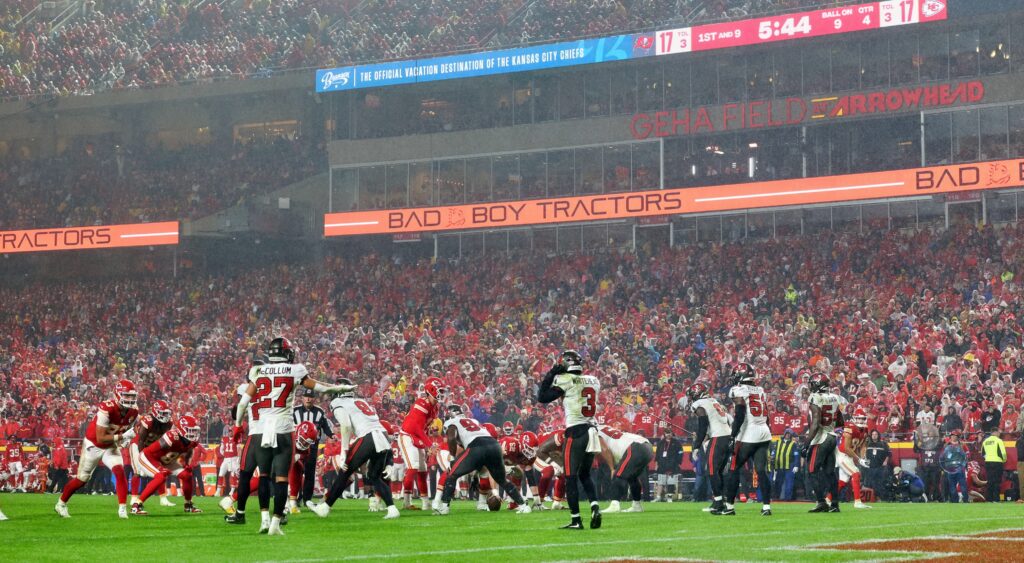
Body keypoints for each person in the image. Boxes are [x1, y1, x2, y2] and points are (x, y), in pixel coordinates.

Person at [225, 337, 355, 535]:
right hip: (283, 429)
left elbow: (243, 404)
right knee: (281, 478)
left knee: (263, 477)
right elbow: (317, 386)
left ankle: (264, 520)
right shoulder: (295, 370)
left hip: (260, 431)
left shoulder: (258, 371)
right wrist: (339, 388)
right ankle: (276, 524)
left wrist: (236, 427)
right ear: (287, 353)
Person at [308, 379, 399, 520]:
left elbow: (346, 425)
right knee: (374, 476)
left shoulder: (338, 403)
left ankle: (325, 507)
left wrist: (344, 450)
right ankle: (392, 509)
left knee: (345, 471)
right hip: (382, 436)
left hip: (368, 436)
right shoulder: (361, 401)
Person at [55, 379, 140, 519]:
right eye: (126, 395)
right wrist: (122, 437)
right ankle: (61, 503)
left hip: (110, 446)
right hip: (94, 444)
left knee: (119, 471)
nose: (130, 399)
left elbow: (126, 429)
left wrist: (126, 439)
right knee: (82, 479)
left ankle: (122, 509)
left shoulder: (134, 411)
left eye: (132, 396)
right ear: (118, 394)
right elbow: (101, 438)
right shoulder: (107, 408)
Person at [537, 350, 602, 530]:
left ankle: (576, 520)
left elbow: (542, 397)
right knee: (585, 474)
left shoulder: (565, 379)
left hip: (576, 430)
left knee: (570, 476)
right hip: (592, 430)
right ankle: (595, 506)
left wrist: (551, 374)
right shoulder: (594, 380)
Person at [433, 405, 530, 515]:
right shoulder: (473, 420)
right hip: (494, 445)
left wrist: (453, 457)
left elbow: (451, 438)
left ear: (450, 415)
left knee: (452, 474)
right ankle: (523, 506)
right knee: (502, 480)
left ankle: (444, 507)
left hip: (477, 447)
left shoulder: (451, 422)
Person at [721, 363, 773, 516]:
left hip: (749, 434)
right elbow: (766, 414)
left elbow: (740, 414)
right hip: (764, 432)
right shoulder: (760, 390)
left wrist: (732, 435)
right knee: (762, 471)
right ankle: (766, 507)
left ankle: (729, 506)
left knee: (733, 469)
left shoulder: (738, 389)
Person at [130, 415, 204, 514]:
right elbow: (152, 452)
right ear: (182, 429)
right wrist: (160, 467)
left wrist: (186, 464)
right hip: (148, 457)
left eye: (195, 430)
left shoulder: (191, 441)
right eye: (190, 430)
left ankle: (188, 505)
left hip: (166, 460)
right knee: (160, 477)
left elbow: (189, 451)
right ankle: (136, 505)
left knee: (187, 475)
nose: (194, 433)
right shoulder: (172, 436)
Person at [398, 376, 446, 511]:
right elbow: (416, 428)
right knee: (413, 467)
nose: (441, 394)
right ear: (431, 390)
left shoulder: (435, 407)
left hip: (418, 437)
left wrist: (427, 444)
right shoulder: (422, 404)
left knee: (423, 471)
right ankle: (406, 502)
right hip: (407, 435)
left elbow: (423, 428)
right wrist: (429, 444)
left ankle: (425, 503)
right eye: (439, 391)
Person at [686, 382, 732, 512]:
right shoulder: (713, 400)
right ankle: (721, 500)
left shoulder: (699, 404)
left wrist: (696, 445)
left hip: (718, 437)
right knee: (719, 472)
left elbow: (703, 424)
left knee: (711, 471)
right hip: (728, 436)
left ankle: (718, 502)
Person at [803, 372, 844, 513]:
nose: (811, 386)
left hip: (821, 438)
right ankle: (835, 503)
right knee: (829, 473)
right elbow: (840, 421)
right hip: (832, 436)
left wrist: (806, 443)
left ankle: (821, 502)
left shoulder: (815, 397)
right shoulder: (834, 397)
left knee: (812, 471)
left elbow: (815, 423)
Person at [291, 387, 334, 509]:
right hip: (298, 447)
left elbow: (325, 426)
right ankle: (296, 498)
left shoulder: (319, 412)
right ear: (302, 398)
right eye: (306, 396)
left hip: (313, 447)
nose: (308, 399)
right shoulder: (294, 411)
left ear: (314, 399)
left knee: (309, 474)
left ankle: (307, 500)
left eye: (310, 397)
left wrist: (332, 435)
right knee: (297, 472)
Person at [129, 399, 175, 508]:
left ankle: (163, 499)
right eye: (163, 413)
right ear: (155, 412)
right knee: (137, 472)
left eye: (166, 413)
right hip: (137, 446)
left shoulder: (168, 423)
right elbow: (141, 440)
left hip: (151, 447)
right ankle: (134, 498)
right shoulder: (148, 420)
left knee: (160, 472)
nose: (165, 416)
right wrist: (142, 456)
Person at [598, 426, 654, 513]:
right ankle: (637, 505)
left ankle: (614, 505)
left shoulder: (593, 431)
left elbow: (604, 449)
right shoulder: (603, 427)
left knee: (618, 475)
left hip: (635, 446)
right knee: (632, 478)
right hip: (648, 446)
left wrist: (612, 468)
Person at [836, 406, 871, 508]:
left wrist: (863, 457)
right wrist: (859, 460)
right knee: (856, 473)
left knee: (842, 481)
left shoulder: (865, 429)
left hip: (849, 456)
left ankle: (827, 500)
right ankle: (857, 502)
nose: (861, 420)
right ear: (855, 418)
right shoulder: (849, 427)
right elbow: (847, 448)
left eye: (863, 418)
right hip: (842, 455)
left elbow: (864, 445)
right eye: (859, 418)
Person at [654, 427, 683, 502]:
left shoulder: (677, 443)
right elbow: (657, 455)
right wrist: (656, 465)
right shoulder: (660, 443)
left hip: (673, 466)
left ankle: (669, 498)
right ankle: (658, 497)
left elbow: (680, 453)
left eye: (669, 433)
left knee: (671, 482)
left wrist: (678, 463)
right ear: (664, 433)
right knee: (660, 482)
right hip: (662, 465)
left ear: (671, 433)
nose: (668, 434)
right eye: (667, 433)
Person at [770, 429, 799, 501]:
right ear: (784, 434)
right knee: (777, 482)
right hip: (779, 466)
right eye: (787, 433)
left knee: (789, 483)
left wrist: (796, 465)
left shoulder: (793, 444)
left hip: (789, 466)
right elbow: (773, 452)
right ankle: (776, 497)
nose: (788, 435)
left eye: (789, 434)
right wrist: (772, 459)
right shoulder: (777, 442)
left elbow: (796, 455)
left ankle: (787, 498)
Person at [940, 431, 968, 502]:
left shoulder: (962, 445)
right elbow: (943, 456)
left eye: (955, 435)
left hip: (958, 468)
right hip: (950, 468)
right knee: (952, 485)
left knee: (962, 485)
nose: (953, 437)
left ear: (958, 437)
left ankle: (965, 499)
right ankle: (954, 500)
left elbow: (967, 455)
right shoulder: (946, 445)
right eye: (952, 435)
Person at [863, 430, 891, 499]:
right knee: (870, 482)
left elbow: (889, 454)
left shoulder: (883, 444)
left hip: (880, 467)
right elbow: (864, 454)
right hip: (870, 467)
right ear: (871, 436)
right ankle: (871, 498)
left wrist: (885, 461)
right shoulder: (868, 444)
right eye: (873, 434)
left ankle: (880, 497)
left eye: (876, 434)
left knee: (879, 483)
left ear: (878, 435)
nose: (874, 435)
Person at [981, 428, 1006, 502]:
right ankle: (996, 499)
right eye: (999, 432)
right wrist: (1003, 460)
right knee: (997, 481)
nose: (999, 433)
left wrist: (988, 458)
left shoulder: (985, 441)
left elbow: (983, 453)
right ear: (996, 432)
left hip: (988, 462)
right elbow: (1003, 453)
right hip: (997, 462)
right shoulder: (999, 440)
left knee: (990, 481)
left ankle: (989, 499)